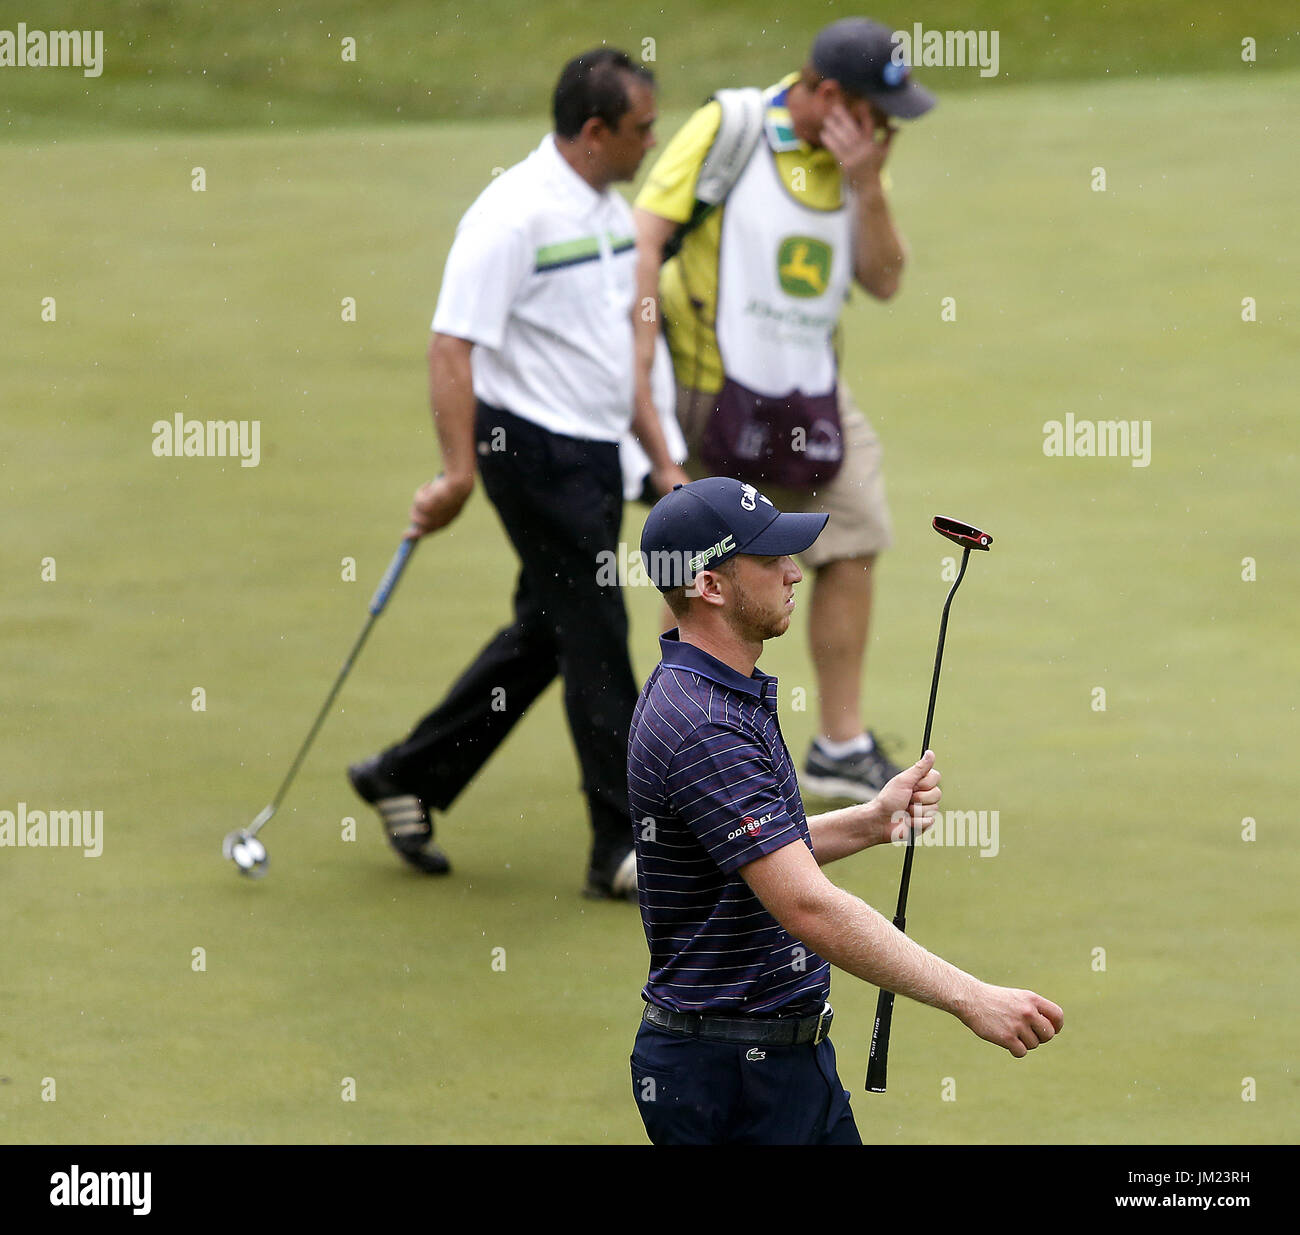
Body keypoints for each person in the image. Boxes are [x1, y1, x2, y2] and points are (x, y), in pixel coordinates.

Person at [627, 477, 1063, 1145]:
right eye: (769, 560)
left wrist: (869, 820)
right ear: (709, 586)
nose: (794, 573)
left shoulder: (713, 689)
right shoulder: (705, 726)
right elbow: (808, 905)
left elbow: (757, 851)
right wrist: (970, 997)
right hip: (735, 1076)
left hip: (766, 1058)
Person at [348, 49, 688, 898]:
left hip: (597, 450)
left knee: (551, 626)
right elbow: (451, 344)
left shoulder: (609, 212)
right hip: (530, 453)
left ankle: (408, 773)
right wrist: (457, 472)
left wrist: (663, 462)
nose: (654, 140)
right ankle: (620, 844)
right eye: (643, 127)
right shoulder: (510, 216)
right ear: (596, 130)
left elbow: (620, 359)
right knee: (600, 630)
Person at [631, 17, 937, 801]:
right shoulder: (728, 127)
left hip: (811, 392)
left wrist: (868, 184)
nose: (885, 129)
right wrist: (643, 382)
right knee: (700, 570)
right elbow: (646, 235)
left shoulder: (859, 160)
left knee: (857, 531)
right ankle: (684, 751)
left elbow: (886, 278)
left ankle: (839, 742)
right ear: (830, 95)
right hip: (707, 390)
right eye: (876, 110)